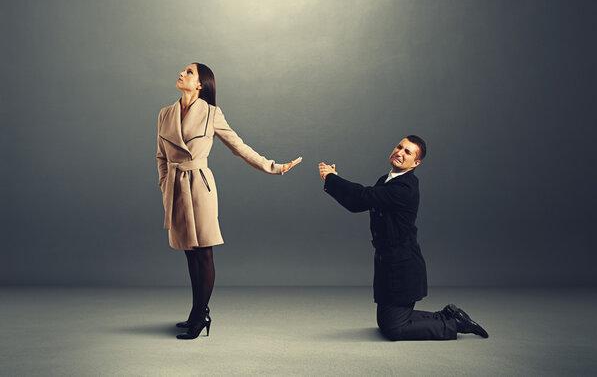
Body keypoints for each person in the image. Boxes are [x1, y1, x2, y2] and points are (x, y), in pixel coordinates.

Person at [157, 63, 302, 340]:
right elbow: (161, 157)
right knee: (189, 253)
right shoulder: (165, 114)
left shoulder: (212, 113)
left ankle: (200, 316)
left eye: (189, 72)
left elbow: (239, 147)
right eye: (183, 70)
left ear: (200, 84)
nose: (181, 73)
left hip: (200, 187)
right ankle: (196, 311)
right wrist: (165, 184)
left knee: (204, 252)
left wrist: (274, 167)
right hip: (175, 188)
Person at [318, 136, 488, 340]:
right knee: (386, 321)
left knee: (393, 330)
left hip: (402, 266)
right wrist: (333, 180)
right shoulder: (386, 180)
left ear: (416, 163)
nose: (400, 152)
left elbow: (362, 196)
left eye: (408, 152)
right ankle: (447, 314)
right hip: (387, 262)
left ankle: (452, 324)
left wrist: (330, 178)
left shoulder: (404, 189)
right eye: (399, 147)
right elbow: (358, 204)